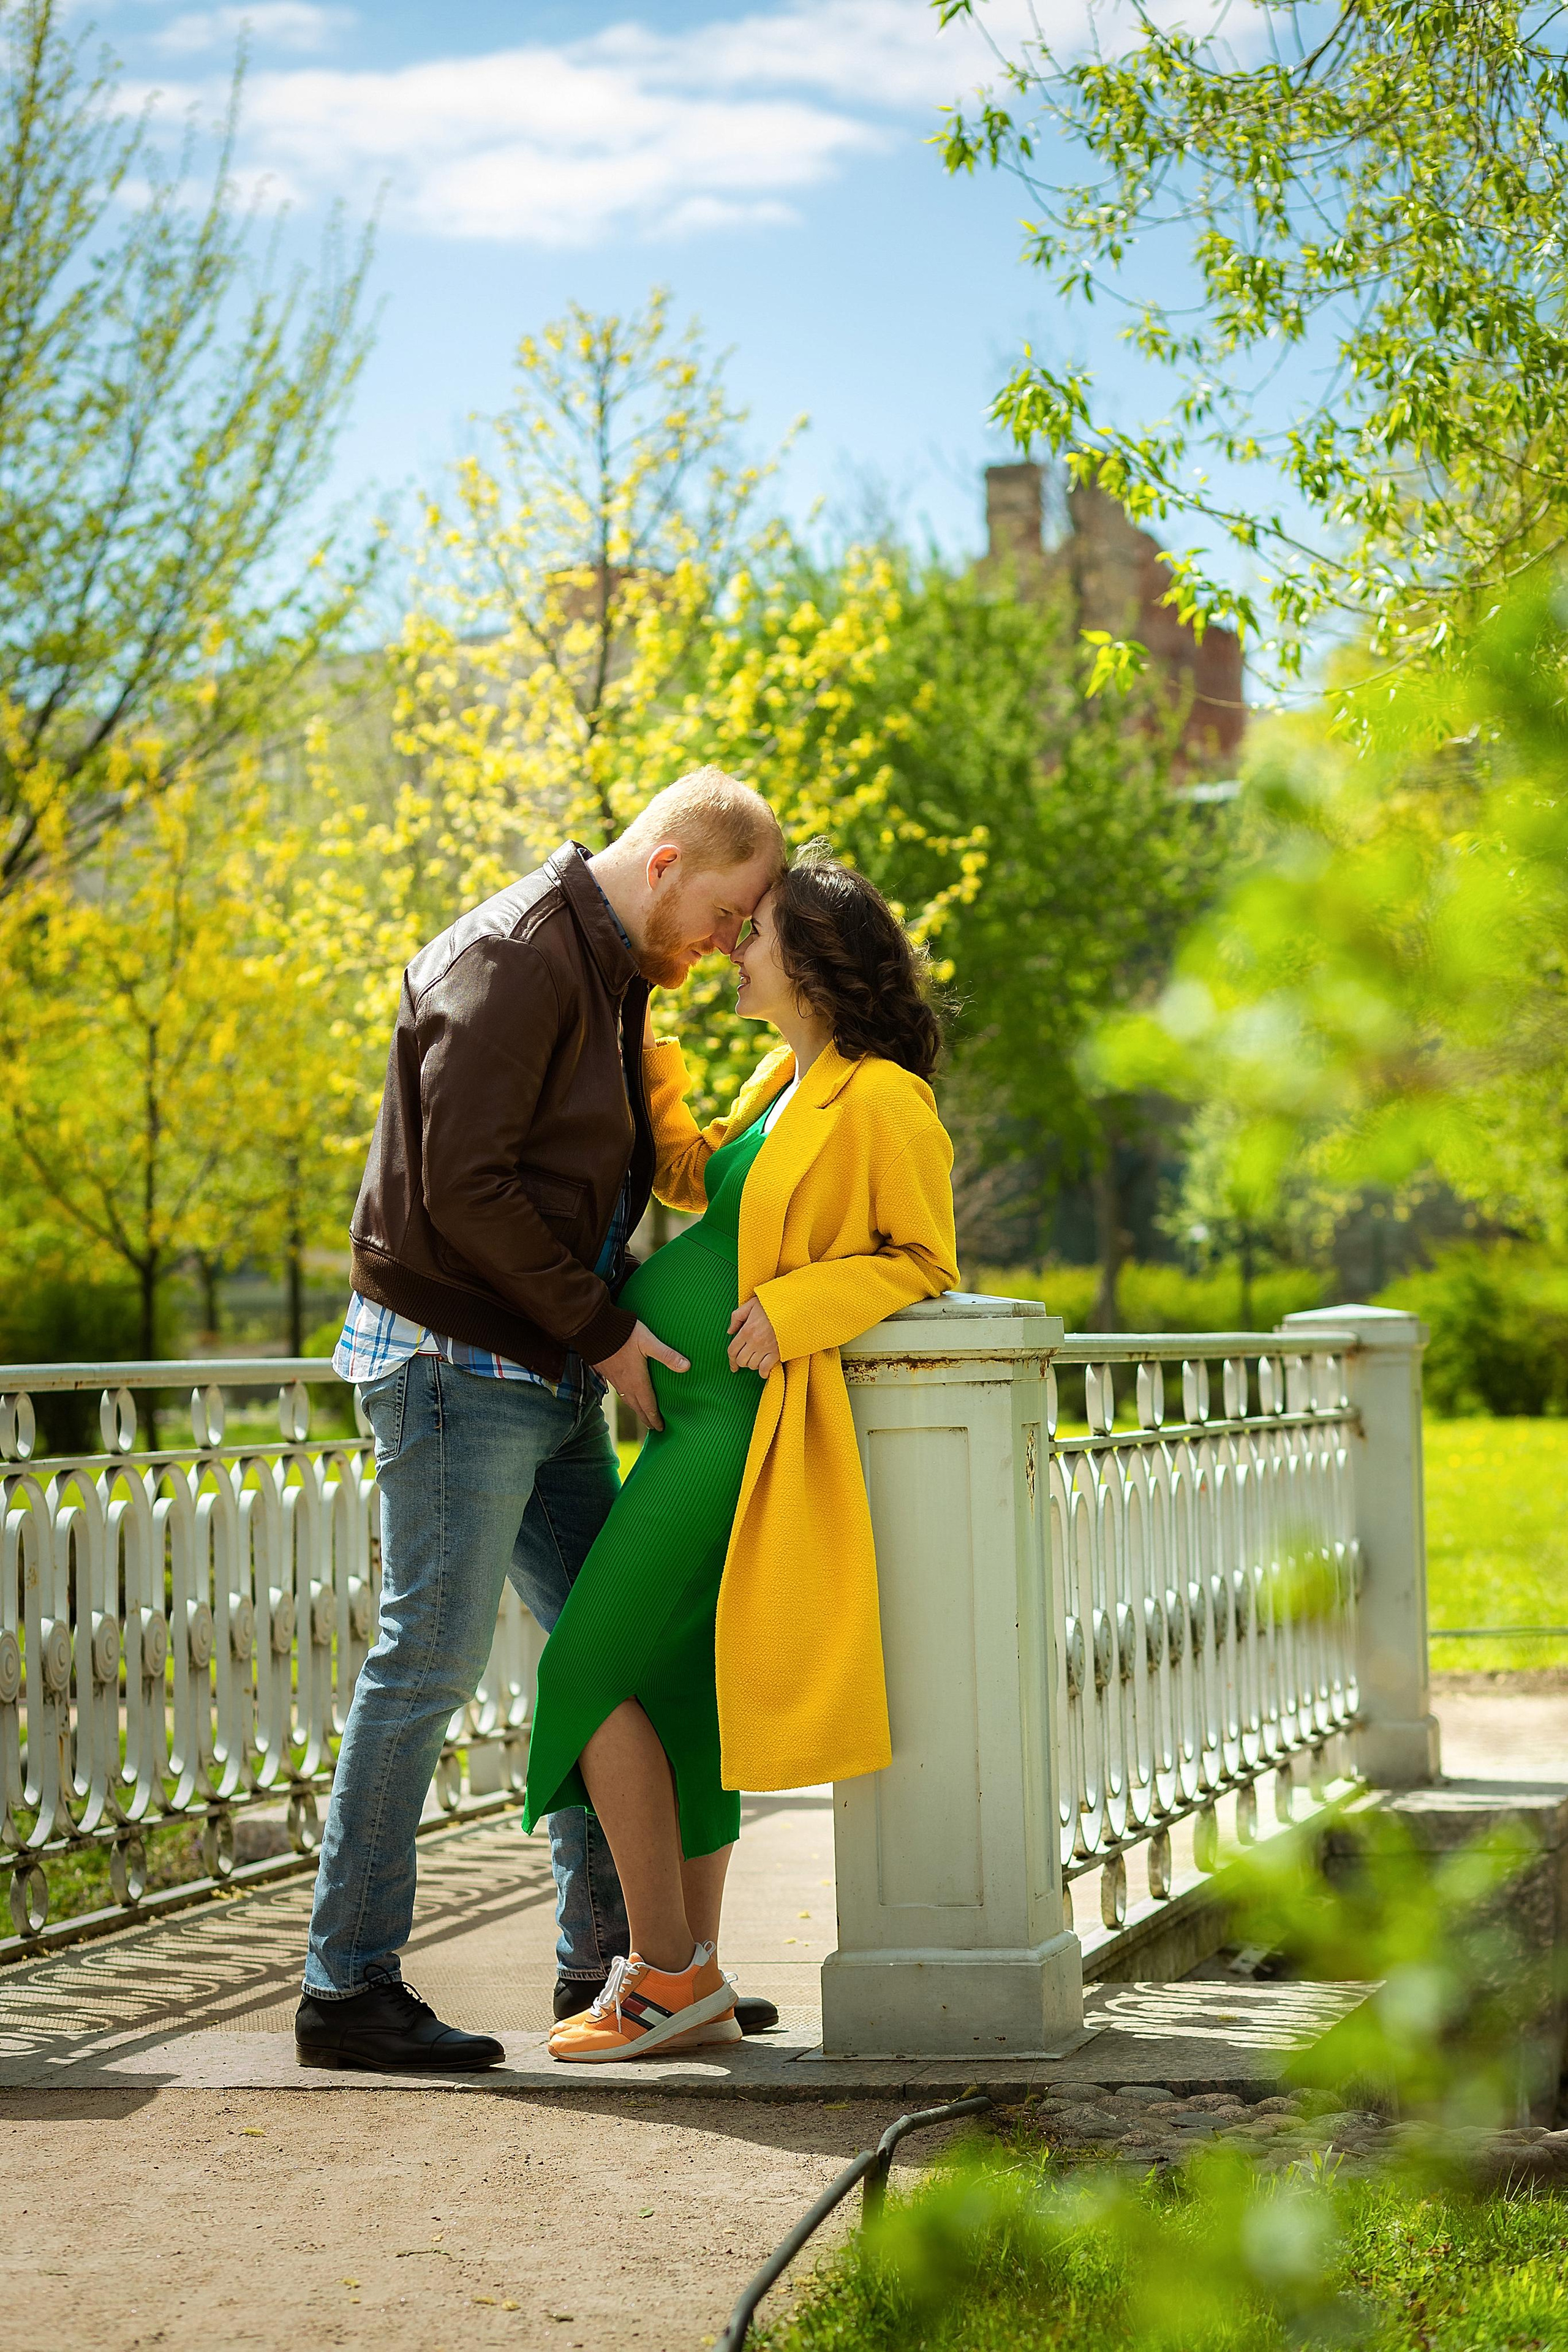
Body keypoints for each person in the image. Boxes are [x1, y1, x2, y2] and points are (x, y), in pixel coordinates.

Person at [295, 769, 786, 2071]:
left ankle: (623, 1969)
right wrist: (609, 1328)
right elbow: (464, 1187)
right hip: (458, 1365)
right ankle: (345, 1989)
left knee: (610, 1656)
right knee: (426, 1670)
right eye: (729, 914)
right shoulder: (518, 957)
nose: (727, 945)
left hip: (540, 1367)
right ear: (670, 862)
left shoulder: (610, 967)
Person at [522, 846, 959, 2060]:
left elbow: (923, 1259)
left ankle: (660, 1973)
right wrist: (645, 1053)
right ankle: (693, 1979)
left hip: (736, 1437)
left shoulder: (882, 1098)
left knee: (583, 1675)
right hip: (687, 1426)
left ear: (814, 960)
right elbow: (698, 1175)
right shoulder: (786, 1077)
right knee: (667, 1695)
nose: (731, 949)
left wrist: (801, 1304)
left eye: (752, 932)